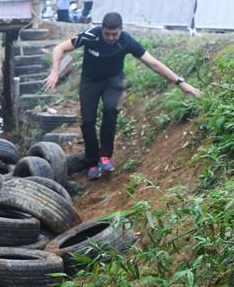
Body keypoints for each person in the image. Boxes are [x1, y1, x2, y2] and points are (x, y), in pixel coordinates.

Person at [43, 11, 201, 179]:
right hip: (90, 81)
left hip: (112, 81)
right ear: (102, 29)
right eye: (107, 33)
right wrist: (55, 72)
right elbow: (60, 48)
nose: (111, 38)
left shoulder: (126, 40)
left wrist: (181, 83)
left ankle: (104, 156)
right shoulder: (91, 35)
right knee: (88, 120)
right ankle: (91, 160)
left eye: (115, 34)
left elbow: (154, 64)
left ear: (121, 30)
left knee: (110, 109)